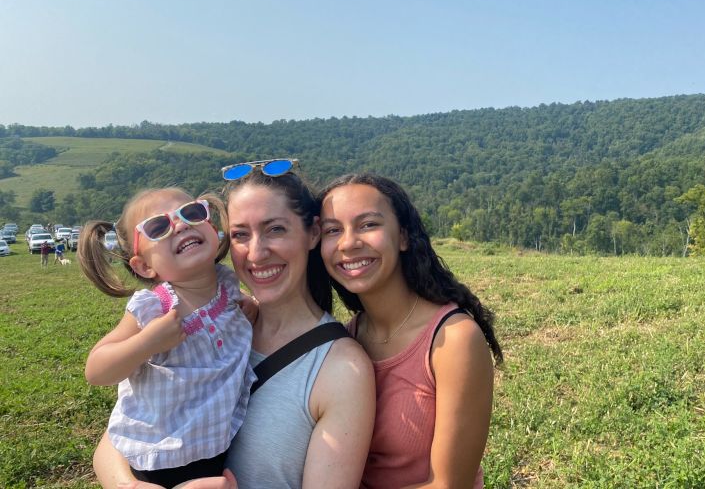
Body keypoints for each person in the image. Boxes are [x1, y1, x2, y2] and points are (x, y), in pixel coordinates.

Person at [93, 159, 375, 489]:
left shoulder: (340, 368)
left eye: (275, 229)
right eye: (242, 234)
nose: (256, 254)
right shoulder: (204, 326)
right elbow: (122, 434)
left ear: (313, 232)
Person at [318, 173, 503, 489]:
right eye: (333, 230)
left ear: (403, 236)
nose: (348, 243)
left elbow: (448, 485)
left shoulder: (453, 340)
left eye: (368, 225)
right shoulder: (344, 340)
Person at [78, 187, 255, 488]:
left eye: (193, 212)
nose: (182, 224)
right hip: (159, 460)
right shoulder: (154, 308)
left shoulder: (228, 285)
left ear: (213, 229)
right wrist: (147, 342)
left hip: (217, 448)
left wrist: (252, 307)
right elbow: (96, 369)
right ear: (145, 266)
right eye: (159, 227)